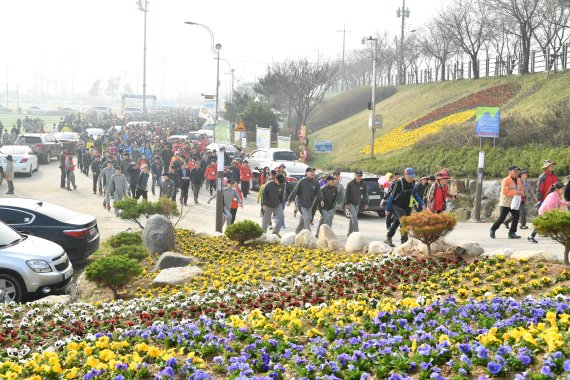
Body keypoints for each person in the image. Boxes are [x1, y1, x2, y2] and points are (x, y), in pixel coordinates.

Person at [384, 168, 425, 247]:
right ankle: (404, 243)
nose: (411, 178)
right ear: (405, 175)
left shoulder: (412, 183)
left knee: (397, 221)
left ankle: (388, 237)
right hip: (396, 205)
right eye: (409, 177)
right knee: (404, 221)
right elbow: (392, 196)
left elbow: (415, 194)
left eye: (412, 177)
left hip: (406, 205)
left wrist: (422, 204)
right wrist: (387, 209)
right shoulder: (399, 183)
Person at [490, 165, 524, 240]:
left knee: (516, 216)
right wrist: (516, 192)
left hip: (514, 203)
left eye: (517, 171)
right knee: (501, 218)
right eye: (515, 171)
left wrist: (521, 192)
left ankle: (512, 233)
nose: (516, 172)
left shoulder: (518, 180)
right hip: (505, 203)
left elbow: (521, 189)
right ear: (509, 171)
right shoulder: (506, 180)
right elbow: (505, 191)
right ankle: (493, 229)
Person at [287, 167, 323, 234]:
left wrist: (321, 200)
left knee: (304, 219)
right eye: (311, 171)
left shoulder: (316, 183)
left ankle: (296, 233)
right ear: (307, 173)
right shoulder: (302, 181)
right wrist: (289, 200)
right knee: (307, 218)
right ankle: (308, 233)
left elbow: (319, 192)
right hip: (301, 204)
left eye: (313, 172)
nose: (313, 173)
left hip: (309, 204)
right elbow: (295, 191)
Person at [344, 171, 369, 236]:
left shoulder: (363, 183)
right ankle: (356, 233)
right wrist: (346, 203)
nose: (359, 177)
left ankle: (349, 232)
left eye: (360, 176)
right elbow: (346, 194)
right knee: (354, 217)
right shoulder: (350, 183)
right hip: (350, 203)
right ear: (355, 176)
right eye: (357, 176)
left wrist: (366, 203)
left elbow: (365, 193)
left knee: (353, 218)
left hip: (357, 203)